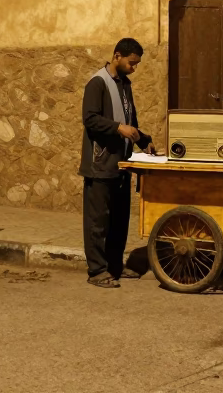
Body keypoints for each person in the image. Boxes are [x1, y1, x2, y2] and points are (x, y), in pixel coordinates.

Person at [79, 37, 157, 287]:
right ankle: (97, 271)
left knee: (119, 220)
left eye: (136, 64)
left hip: (121, 165)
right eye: (132, 63)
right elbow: (90, 119)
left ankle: (114, 266)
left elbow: (130, 121)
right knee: (98, 221)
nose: (135, 67)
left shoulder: (125, 85)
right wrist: (117, 128)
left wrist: (143, 141)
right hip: (100, 165)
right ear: (117, 56)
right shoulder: (97, 83)